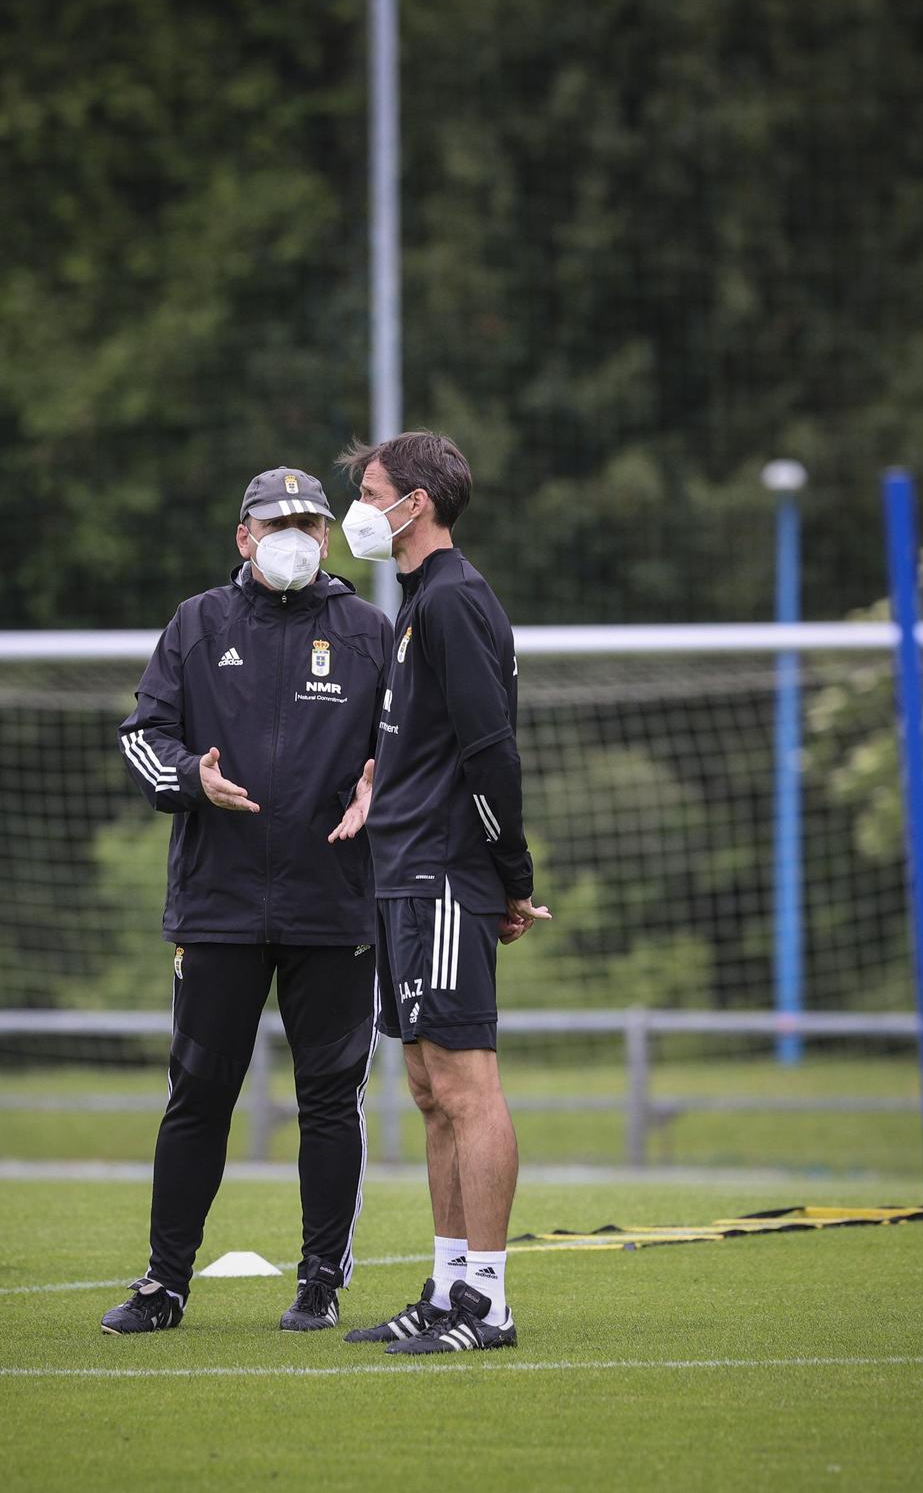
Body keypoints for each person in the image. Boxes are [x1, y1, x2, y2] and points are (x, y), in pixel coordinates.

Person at [101, 467, 391, 1336]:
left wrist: (386, 788)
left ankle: (319, 1283)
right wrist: (193, 777)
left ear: (329, 537)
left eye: (309, 520)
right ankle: (163, 1285)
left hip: (335, 906)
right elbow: (144, 739)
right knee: (196, 1097)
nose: (294, 534)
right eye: (277, 522)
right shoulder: (197, 624)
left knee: (330, 1103)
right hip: (217, 906)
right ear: (244, 535)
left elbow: (413, 750)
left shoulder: (371, 632)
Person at [333, 431, 550, 1355]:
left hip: (443, 874)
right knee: (427, 1087)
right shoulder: (421, 603)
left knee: (466, 1085)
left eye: (371, 490)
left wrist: (511, 878)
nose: (361, 509)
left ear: (414, 504)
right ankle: (451, 1283)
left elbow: (488, 749)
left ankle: (489, 1305)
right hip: (404, 871)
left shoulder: (456, 600)